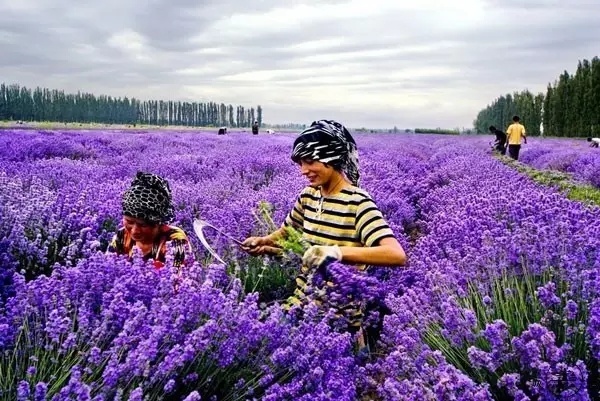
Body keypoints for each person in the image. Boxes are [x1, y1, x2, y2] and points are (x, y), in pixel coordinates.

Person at [242, 119, 407, 347]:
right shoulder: (309, 196)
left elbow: (396, 254)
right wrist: (264, 242)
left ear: (332, 159)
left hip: (339, 320)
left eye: (310, 162)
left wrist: (336, 252)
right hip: (301, 306)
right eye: (300, 163)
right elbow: (288, 230)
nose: (303, 170)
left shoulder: (358, 203)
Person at [107, 172, 193, 270]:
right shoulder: (121, 236)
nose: (134, 231)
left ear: (158, 222)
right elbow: (107, 270)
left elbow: (178, 279)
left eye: (143, 225)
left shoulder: (175, 240)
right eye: (129, 222)